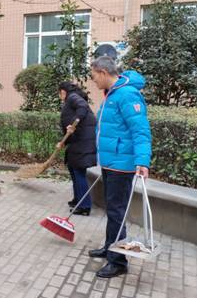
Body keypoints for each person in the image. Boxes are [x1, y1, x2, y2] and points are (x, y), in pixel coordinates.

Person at [88, 56, 152, 279]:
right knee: (113, 210)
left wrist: (142, 161)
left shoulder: (127, 94)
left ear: (103, 72)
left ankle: (118, 262)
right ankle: (110, 248)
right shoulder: (113, 93)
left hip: (121, 166)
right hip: (111, 162)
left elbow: (140, 130)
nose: (94, 81)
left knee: (116, 212)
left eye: (94, 76)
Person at [58, 81, 97, 216]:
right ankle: (78, 199)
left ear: (63, 91)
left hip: (83, 142)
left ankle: (84, 206)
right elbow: (70, 127)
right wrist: (64, 142)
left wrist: (75, 122)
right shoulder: (71, 99)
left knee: (78, 171)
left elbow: (82, 107)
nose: (60, 96)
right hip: (78, 141)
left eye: (59, 93)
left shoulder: (73, 97)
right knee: (73, 168)